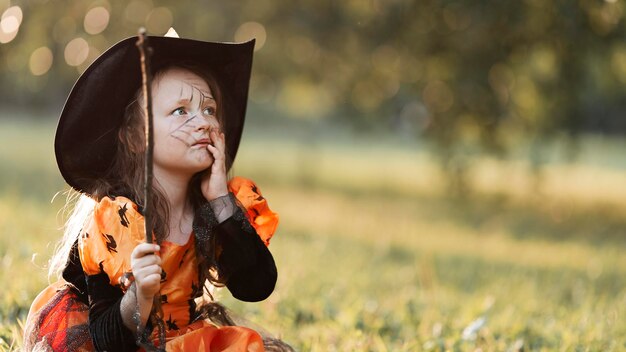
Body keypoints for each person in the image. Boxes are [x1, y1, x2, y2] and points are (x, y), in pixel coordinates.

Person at [23, 33, 290, 351]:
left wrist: (220, 201)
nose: (203, 122)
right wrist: (139, 297)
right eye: (181, 111)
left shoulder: (212, 209)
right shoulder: (114, 223)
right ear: (136, 139)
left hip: (182, 338)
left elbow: (256, 285)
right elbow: (107, 341)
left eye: (209, 110)